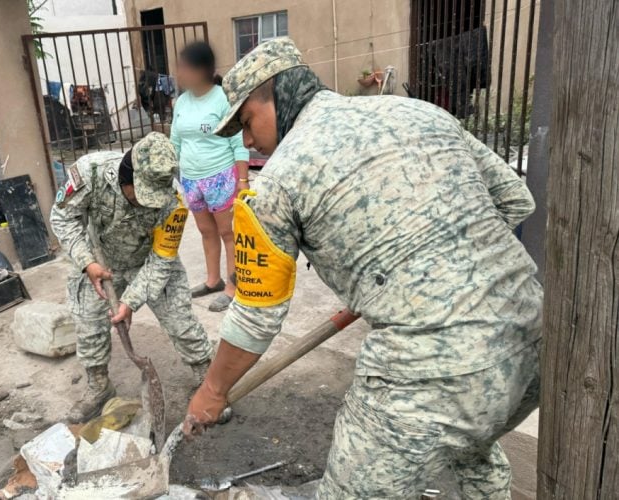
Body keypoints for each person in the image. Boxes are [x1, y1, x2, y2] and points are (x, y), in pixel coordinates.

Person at [183, 38, 543, 499]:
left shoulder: (277, 181)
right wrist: (417, 268)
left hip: (430, 376)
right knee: (474, 450)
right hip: (530, 345)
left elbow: (255, 315)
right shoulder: (418, 113)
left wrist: (212, 391)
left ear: (276, 92)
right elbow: (517, 200)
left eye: (246, 122)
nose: (247, 141)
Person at [51, 132, 214, 423]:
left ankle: (209, 382)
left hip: (148, 262)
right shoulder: (92, 172)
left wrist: (131, 301)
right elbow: (62, 218)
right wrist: (86, 262)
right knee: (88, 326)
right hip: (99, 262)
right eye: (141, 195)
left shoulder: (173, 203)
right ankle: (99, 387)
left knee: (181, 322)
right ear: (126, 180)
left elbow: (162, 260)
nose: (148, 204)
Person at [171, 41, 250, 312]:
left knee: (229, 233)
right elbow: (175, 141)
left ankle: (232, 285)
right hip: (191, 180)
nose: (178, 73)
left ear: (202, 70)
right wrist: (172, 173)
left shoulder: (222, 98)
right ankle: (213, 280)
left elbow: (238, 142)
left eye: (183, 67)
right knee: (206, 232)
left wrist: (242, 181)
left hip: (221, 178)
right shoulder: (181, 101)